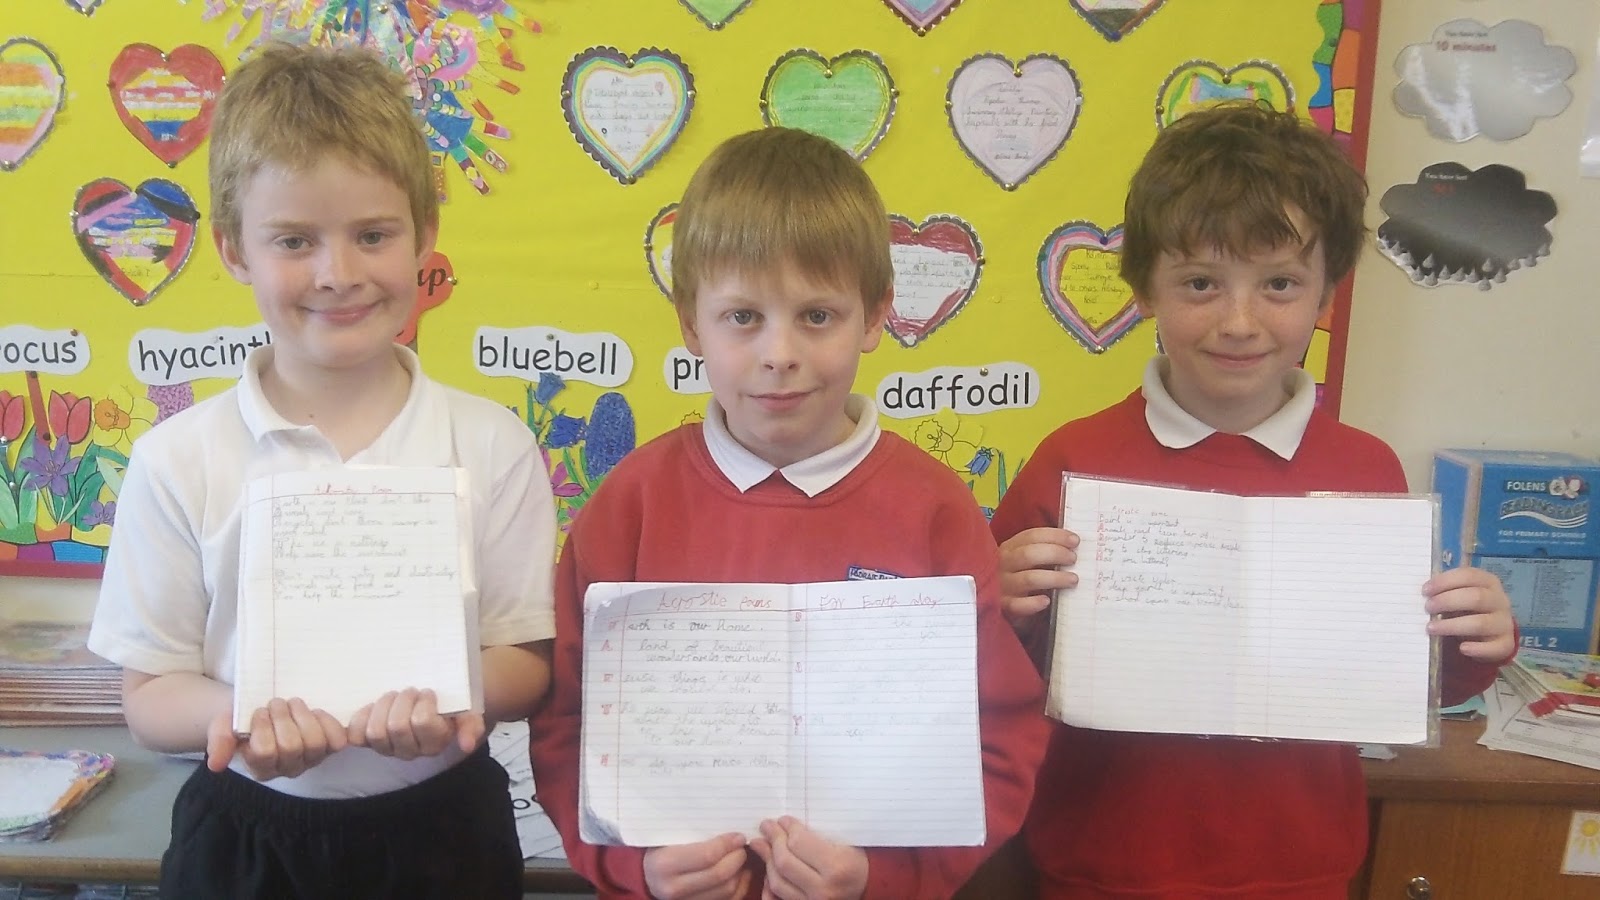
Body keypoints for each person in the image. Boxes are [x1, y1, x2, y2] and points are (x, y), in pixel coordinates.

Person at [989, 103, 1516, 899]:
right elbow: (997, 669)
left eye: (1279, 284)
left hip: (1299, 867)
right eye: (1201, 283)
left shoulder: (1366, 469)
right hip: (1099, 863)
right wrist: (1000, 606)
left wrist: (1474, 640)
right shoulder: (1072, 460)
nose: (1240, 322)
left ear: (1327, 295)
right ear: (1145, 289)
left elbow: (1402, 680)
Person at [86, 43, 557, 900]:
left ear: (425, 235)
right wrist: (241, 715)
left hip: (445, 832)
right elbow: (150, 695)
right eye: (294, 241)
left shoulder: (491, 443)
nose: (338, 274)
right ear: (234, 250)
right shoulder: (177, 458)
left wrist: (449, 697)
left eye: (372, 235)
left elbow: (524, 661)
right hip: (247, 836)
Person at [529, 126, 1049, 900]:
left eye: (817, 316)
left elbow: (998, 737)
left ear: (874, 317)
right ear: (690, 323)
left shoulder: (935, 511)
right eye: (743, 317)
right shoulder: (630, 506)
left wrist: (880, 877)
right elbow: (568, 725)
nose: (779, 353)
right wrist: (635, 869)